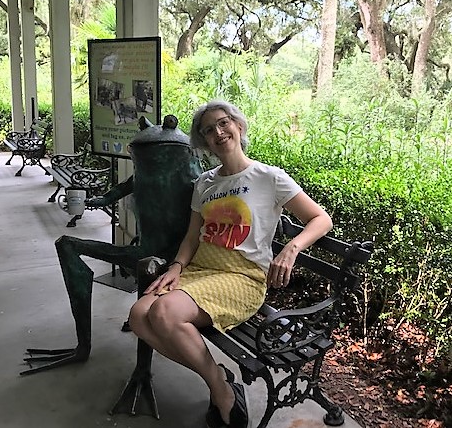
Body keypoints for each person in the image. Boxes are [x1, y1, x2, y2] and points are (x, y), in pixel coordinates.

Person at [128, 100, 333, 428]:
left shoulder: (268, 177)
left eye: (223, 123)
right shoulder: (205, 183)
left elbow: (321, 219)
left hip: (242, 276)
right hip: (200, 270)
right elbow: (192, 239)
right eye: (209, 130)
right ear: (204, 141)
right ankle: (220, 378)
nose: (218, 133)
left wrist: (291, 248)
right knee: (139, 316)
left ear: (238, 126)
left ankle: (220, 392)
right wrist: (177, 267)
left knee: (163, 313)